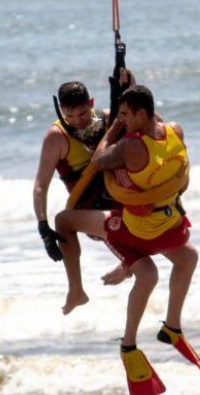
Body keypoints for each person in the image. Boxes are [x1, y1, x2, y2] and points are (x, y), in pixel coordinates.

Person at [55, 86, 200, 395]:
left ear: (139, 114)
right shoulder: (174, 130)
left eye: (125, 114)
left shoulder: (130, 148)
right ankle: (172, 326)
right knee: (186, 257)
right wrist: (127, 88)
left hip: (136, 228)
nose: (121, 119)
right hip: (170, 223)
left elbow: (99, 159)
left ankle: (92, 306)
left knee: (63, 221)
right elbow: (181, 176)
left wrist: (112, 128)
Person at [33, 80, 132, 313]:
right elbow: (40, 185)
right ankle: (76, 289)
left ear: (91, 103)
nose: (78, 120)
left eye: (83, 113)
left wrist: (128, 83)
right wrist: (43, 228)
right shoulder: (56, 137)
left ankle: (126, 267)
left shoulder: (109, 119)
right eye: (70, 116)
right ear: (61, 111)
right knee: (62, 221)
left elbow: (149, 123)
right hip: (92, 208)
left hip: (125, 199)